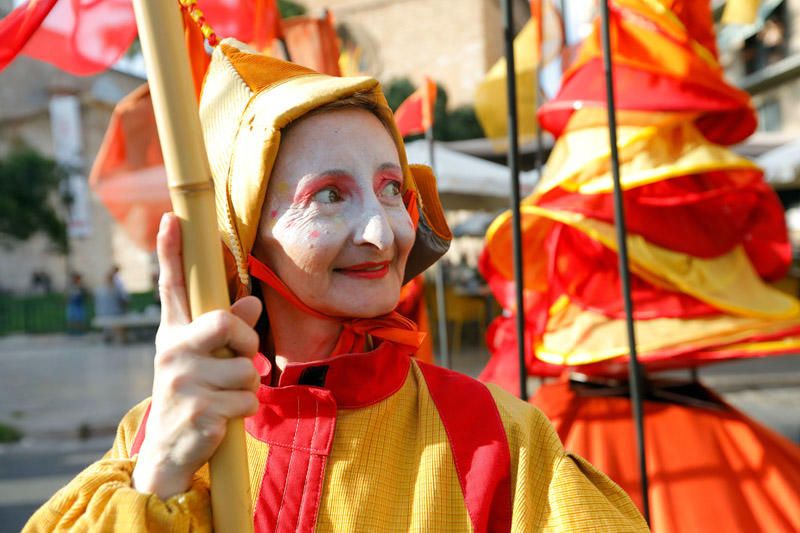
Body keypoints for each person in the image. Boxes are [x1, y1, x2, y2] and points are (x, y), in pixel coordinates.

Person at [24, 39, 648, 532]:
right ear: (244, 237)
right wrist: (160, 478)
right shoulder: (152, 430)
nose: (383, 232)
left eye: (390, 190)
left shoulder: (497, 436)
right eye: (327, 196)